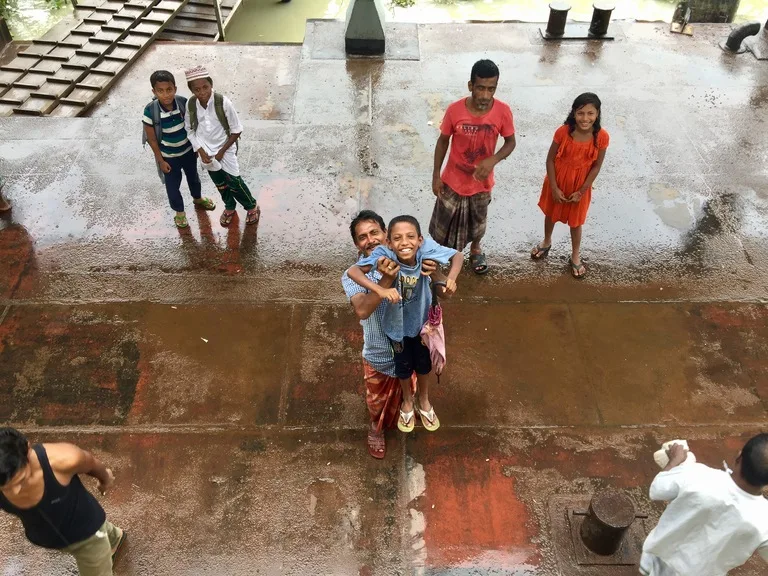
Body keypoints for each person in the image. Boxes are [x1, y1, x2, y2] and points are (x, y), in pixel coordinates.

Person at [346, 216, 463, 434]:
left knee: (420, 369)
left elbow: (444, 291)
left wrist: (440, 274)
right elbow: (362, 310)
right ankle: (377, 431)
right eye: (362, 237)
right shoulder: (357, 273)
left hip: (416, 334)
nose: (370, 240)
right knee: (377, 405)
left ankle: (419, 403)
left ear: (384, 235)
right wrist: (383, 284)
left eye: (374, 233)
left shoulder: (419, 253)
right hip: (380, 354)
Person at [430, 59, 516, 275]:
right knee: (443, 221)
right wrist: (436, 175)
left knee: (478, 221)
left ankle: (476, 248)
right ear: (470, 86)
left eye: (491, 89)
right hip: (452, 180)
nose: (485, 96)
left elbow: (510, 142)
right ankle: (438, 253)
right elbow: (443, 142)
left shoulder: (503, 112)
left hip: (481, 183)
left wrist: (493, 159)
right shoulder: (454, 110)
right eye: (480, 88)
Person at [0, 427, 125, 575]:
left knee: (97, 540)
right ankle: (115, 537)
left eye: (21, 480)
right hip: (51, 536)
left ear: (28, 451)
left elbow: (91, 463)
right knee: (104, 533)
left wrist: (105, 479)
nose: (14, 492)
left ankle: (108, 539)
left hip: (88, 534)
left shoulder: (65, 459)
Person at [640, 434, 768, 576]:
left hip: (659, 562)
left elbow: (659, 488)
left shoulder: (698, 475)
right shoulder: (764, 519)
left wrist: (674, 462)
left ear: (739, 457)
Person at [531, 92, 609, 279]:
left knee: (576, 222)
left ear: (597, 114)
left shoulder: (602, 137)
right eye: (581, 113)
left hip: (580, 186)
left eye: (591, 113)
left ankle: (575, 254)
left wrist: (582, 191)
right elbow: (550, 160)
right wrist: (554, 187)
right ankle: (546, 241)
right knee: (551, 213)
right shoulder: (563, 132)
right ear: (574, 113)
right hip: (556, 181)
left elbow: (597, 166)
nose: (585, 118)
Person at [183, 65, 260, 228]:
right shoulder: (191, 105)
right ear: (192, 90)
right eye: (197, 89)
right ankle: (229, 206)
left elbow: (236, 130)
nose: (202, 92)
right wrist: (201, 150)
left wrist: (221, 152)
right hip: (206, 150)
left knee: (234, 181)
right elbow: (189, 130)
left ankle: (251, 206)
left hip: (225, 148)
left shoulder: (223, 102)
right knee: (219, 182)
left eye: (205, 87)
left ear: (211, 85)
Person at [143, 70, 216, 229]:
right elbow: (152, 139)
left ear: (175, 88)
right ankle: (179, 212)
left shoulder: (184, 103)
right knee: (172, 185)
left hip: (188, 152)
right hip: (169, 157)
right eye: (160, 91)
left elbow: (194, 127)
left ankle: (197, 198)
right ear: (154, 92)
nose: (166, 94)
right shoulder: (150, 111)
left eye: (169, 90)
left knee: (193, 177)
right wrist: (160, 160)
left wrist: (198, 148)